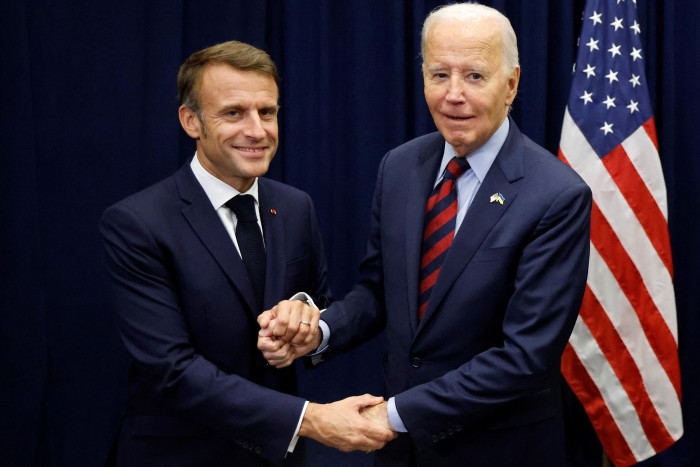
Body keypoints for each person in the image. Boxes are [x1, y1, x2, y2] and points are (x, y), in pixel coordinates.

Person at [258, 4, 592, 466]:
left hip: (499, 450)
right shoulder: (400, 166)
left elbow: (524, 357)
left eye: (474, 76)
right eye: (439, 75)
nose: (453, 95)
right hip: (402, 453)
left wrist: (392, 415)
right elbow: (379, 291)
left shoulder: (556, 195)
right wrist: (321, 332)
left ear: (511, 83)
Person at [100, 40, 394, 467]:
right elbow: (172, 371)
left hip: (277, 458)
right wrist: (310, 419)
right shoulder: (137, 222)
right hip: (181, 456)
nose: (257, 131)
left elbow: (316, 303)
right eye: (233, 113)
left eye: (267, 112)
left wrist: (304, 315)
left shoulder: (295, 207)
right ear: (191, 121)